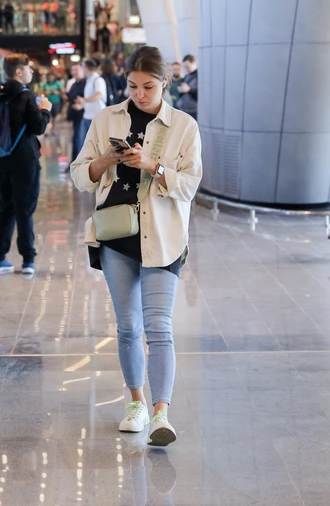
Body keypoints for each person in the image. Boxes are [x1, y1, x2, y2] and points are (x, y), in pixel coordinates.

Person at [71, 45, 203, 447]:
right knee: (128, 327)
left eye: (148, 86)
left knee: (159, 328)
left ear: (165, 83)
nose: (140, 94)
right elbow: (80, 176)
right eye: (132, 86)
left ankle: (162, 413)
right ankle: (136, 404)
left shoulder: (184, 126)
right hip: (117, 238)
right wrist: (104, 161)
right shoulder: (106, 118)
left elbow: (189, 185)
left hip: (163, 239)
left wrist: (153, 166)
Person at [0, 54, 53, 274]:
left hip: (0, 157)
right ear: (18, 72)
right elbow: (38, 127)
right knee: (24, 208)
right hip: (24, 159)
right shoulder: (26, 96)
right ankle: (28, 260)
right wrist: (45, 109)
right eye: (28, 68)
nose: (31, 72)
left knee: (5, 207)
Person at [67, 63, 88, 161]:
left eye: (77, 70)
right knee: (76, 139)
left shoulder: (87, 83)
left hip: (85, 116)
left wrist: (82, 103)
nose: (75, 72)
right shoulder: (74, 84)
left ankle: (79, 161)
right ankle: (74, 161)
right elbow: (70, 97)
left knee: (81, 139)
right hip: (76, 116)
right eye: (73, 70)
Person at [82, 59, 108, 141]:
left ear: (86, 68)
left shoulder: (98, 80)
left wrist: (84, 100)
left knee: (97, 143)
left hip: (96, 116)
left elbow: (98, 95)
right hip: (88, 115)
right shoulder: (89, 80)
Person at [176, 55, 198, 119]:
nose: (186, 69)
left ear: (194, 63)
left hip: (194, 110)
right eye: (185, 67)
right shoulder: (186, 76)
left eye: (188, 67)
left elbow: (201, 95)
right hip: (184, 109)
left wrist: (189, 90)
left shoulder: (200, 76)